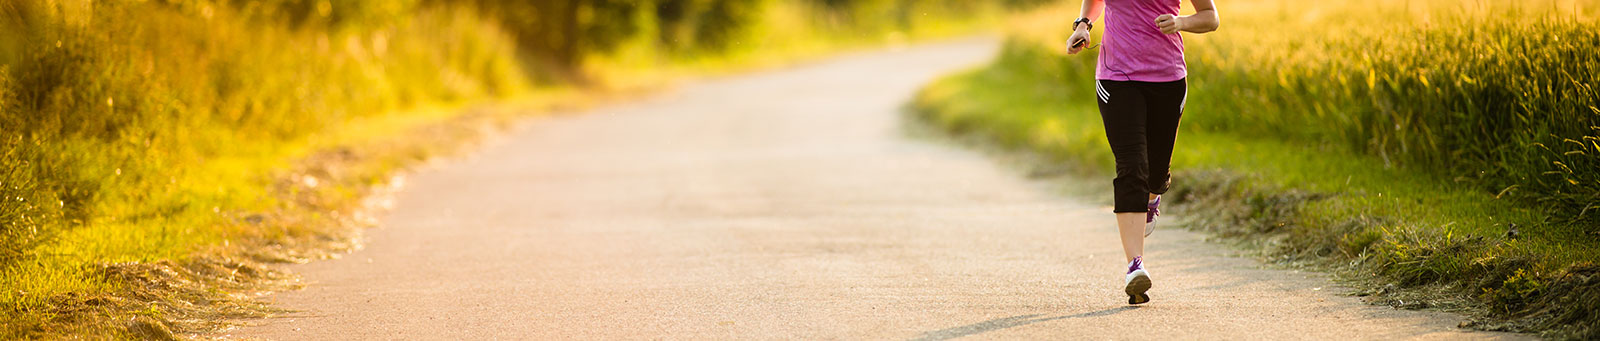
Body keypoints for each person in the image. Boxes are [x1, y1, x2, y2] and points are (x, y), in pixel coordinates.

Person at [1066, 0, 1219, 305]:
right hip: (1117, 78)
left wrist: (1181, 23)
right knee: (1131, 167)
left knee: (1155, 176)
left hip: (1168, 79)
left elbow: (1211, 18)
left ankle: (1153, 196)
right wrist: (1083, 24)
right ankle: (1135, 266)